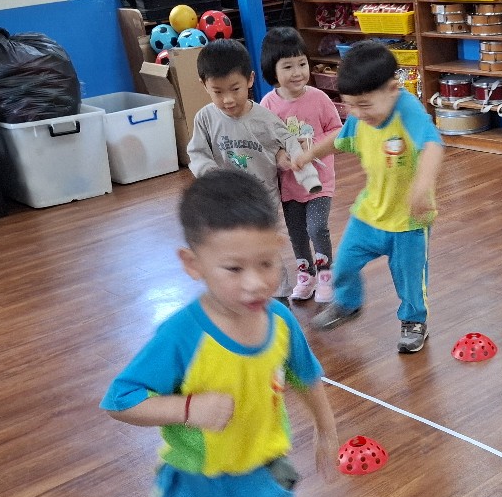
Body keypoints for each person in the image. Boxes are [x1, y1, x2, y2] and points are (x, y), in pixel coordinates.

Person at [101, 169, 339, 497]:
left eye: (267, 263)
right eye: (233, 268)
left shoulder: (281, 323)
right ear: (193, 264)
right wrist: (188, 408)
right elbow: (120, 400)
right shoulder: (181, 335)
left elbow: (306, 375)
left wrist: (327, 429)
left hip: (265, 481)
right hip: (197, 483)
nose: (255, 283)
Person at [294, 41, 444, 354]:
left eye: (364, 105)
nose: (357, 114)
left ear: (392, 89)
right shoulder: (362, 116)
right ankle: (348, 304)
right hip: (369, 214)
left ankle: (414, 322)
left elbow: (432, 145)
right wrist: (310, 153)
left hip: (409, 221)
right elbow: (340, 137)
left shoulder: (407, 111)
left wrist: (422, 186)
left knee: (410, 279)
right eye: (351, 106)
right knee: (344, 264)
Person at [186, 38, 322, 302]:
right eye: (217, 91)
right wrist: (211, 174)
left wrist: (304, 173)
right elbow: (198, 153)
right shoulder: (205, 118)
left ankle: (279, 297)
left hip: (262, 200)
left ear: (249, 80)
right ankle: (239, 296)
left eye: (235, 89)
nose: (227, 100)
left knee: (264, 249)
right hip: (225, 202)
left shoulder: (265, 119)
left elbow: (290, 145)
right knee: (232, 250)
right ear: (204, 85)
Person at [259, 27, 343, 304]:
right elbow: (264, 143)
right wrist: (279, 157)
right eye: (288, 66)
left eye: (302, 64)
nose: (297, 72)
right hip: (289, 186)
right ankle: (306, 276)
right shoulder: (267, 105)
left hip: (320, 181)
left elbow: (338, 132)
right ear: (272, 70)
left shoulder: (319, 98)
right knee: (296, 233)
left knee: (317, 228)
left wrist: (313, 147)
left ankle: (326, 276)